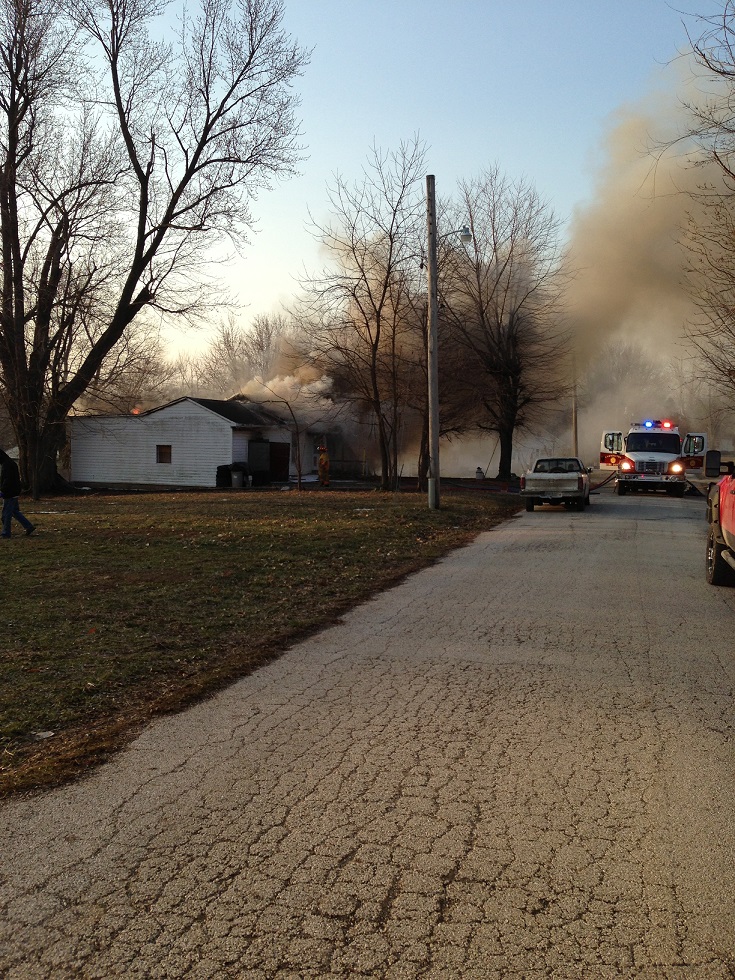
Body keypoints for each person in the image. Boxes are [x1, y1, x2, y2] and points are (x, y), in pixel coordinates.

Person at [0, 449, 35, 538]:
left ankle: (6, 533)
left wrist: (2, 491)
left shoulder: (7, 465)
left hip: (10, 493)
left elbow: (7, 480)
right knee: (14, 512)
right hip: (14, 492)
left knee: (6, 514)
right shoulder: (10, 463)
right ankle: (29, 526)